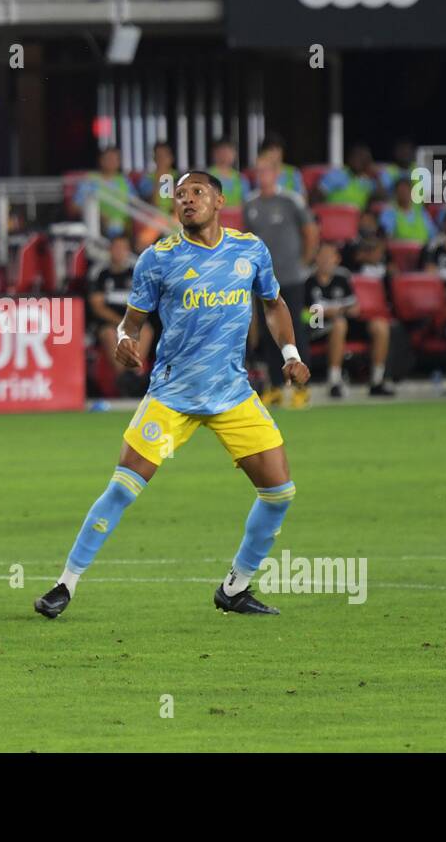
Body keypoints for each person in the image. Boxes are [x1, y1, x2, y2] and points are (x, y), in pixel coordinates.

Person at [34, 171, 308, 620]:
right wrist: (125, 340)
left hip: (232, 394)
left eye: (197, 192)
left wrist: (291, 353)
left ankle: (235, 588)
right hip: (172, 395)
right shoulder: (157, 259)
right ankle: (66, 584)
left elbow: (274, 304)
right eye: (179, 195)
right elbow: (132, 322)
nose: (187, 200)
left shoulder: (250, 249)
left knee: (279, 493)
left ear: (219, 200)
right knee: (122, 488)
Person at [242, 152, 317, 408]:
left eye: (266, 171)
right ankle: (274, 385)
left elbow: (310, 232)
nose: (261, 176)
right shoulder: (249, 203)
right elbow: (246, 240)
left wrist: (304, 263)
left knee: (293, 330)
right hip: (263, 280)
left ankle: (300, 388)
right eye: (258, 171)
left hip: (290, 277)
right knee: (267, 332)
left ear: (276, 174)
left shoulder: (291, 201)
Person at [304, 242, 393, 398]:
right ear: (316, 258)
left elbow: (354, 307)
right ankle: (334, 382)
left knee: (380, 326)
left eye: (329, 257)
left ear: (337, 259)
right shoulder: (307, 280)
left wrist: (342, 310)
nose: (326, 260)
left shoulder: (342, 277)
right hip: (317, 325)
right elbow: (302, 313)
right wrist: (325, 313)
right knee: (339, 324)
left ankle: (377, 381)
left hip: (345, 321)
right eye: (322, 256)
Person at [87, 233, 154, 396]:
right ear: (110, 250)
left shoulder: (136, 272)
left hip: (133, 321)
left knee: (146, 331)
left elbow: (145, 302)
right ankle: (124, 378)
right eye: (116, 248)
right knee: (109, 334)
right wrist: (121, 322)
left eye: (123, 249)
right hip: (108, 322)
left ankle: (132, 374)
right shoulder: (99, 272)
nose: (119, 252)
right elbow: (97, 306)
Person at [74, 146, 134, 237]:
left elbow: (135, 204)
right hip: (98, 226)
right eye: (108, 159)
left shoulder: (125, 181)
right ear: (101, 161)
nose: (111, 162)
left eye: (114, 159)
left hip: (125, 227)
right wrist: (99, 216)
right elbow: (75, 207)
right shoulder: (90, 179)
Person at [316, 143, 378, 209]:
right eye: (355, 156)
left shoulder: (368, 181)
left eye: (362, 157)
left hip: (357, 217)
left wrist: (376, 176)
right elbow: (316, 196)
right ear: (349, 158)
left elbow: (381, 198)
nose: (357, 160)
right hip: (333, 215)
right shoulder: (337, 175)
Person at [378, 177, 435, 244]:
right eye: (401, 191)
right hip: (399, 251)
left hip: (423, 250)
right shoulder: (389, 212)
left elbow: (432, 233)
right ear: (395, 193)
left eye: (406, 190)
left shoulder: (421, 211)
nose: (404, 193)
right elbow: (386, 235)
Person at [258, 132, 306, 197]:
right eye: (271, 150)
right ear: (264, 153)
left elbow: (303, 198)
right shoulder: (261, 173)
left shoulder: (293, 173)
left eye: (277, 149)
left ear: (282, 152)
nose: (274, 154)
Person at [207, 137, 247, 205]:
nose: (226, 155)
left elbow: (246, 203)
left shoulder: (241, 178)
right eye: (222, 151)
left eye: (229, 151)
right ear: (214, 153)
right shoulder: (206, 177)